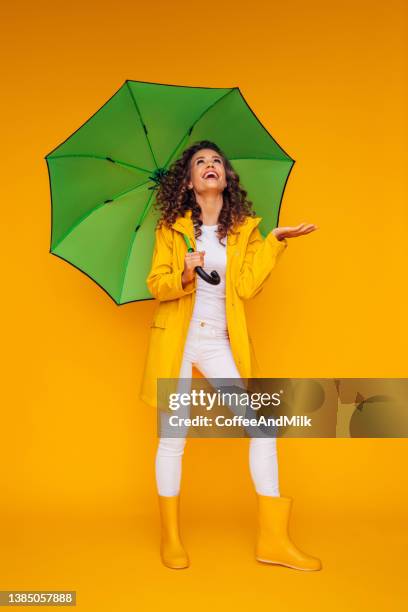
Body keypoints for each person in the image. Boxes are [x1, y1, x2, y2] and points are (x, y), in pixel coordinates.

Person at [139, 140, 321, 571]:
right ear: (187, 181)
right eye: (200, 162)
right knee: (172, 440)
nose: (210, 166)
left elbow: (246, 288)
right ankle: (171, 538)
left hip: (221, 340)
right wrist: (183, 273)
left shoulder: (244, 231)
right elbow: (156, 284)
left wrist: (273, 242)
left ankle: (273, 542)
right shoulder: (171, 229)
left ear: (226, 177)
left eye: (216, 161)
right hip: (178, 342)